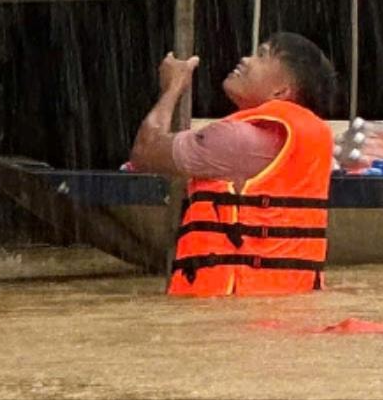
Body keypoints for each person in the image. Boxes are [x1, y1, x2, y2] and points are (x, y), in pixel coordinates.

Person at [127, 32, 338, 297]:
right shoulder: (311, 138)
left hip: (233, 309)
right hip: (292, 305)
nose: (245, 60)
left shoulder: (236, 139)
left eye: (262, 55)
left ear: (281, 91)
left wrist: (172, 88)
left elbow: (145, 153)